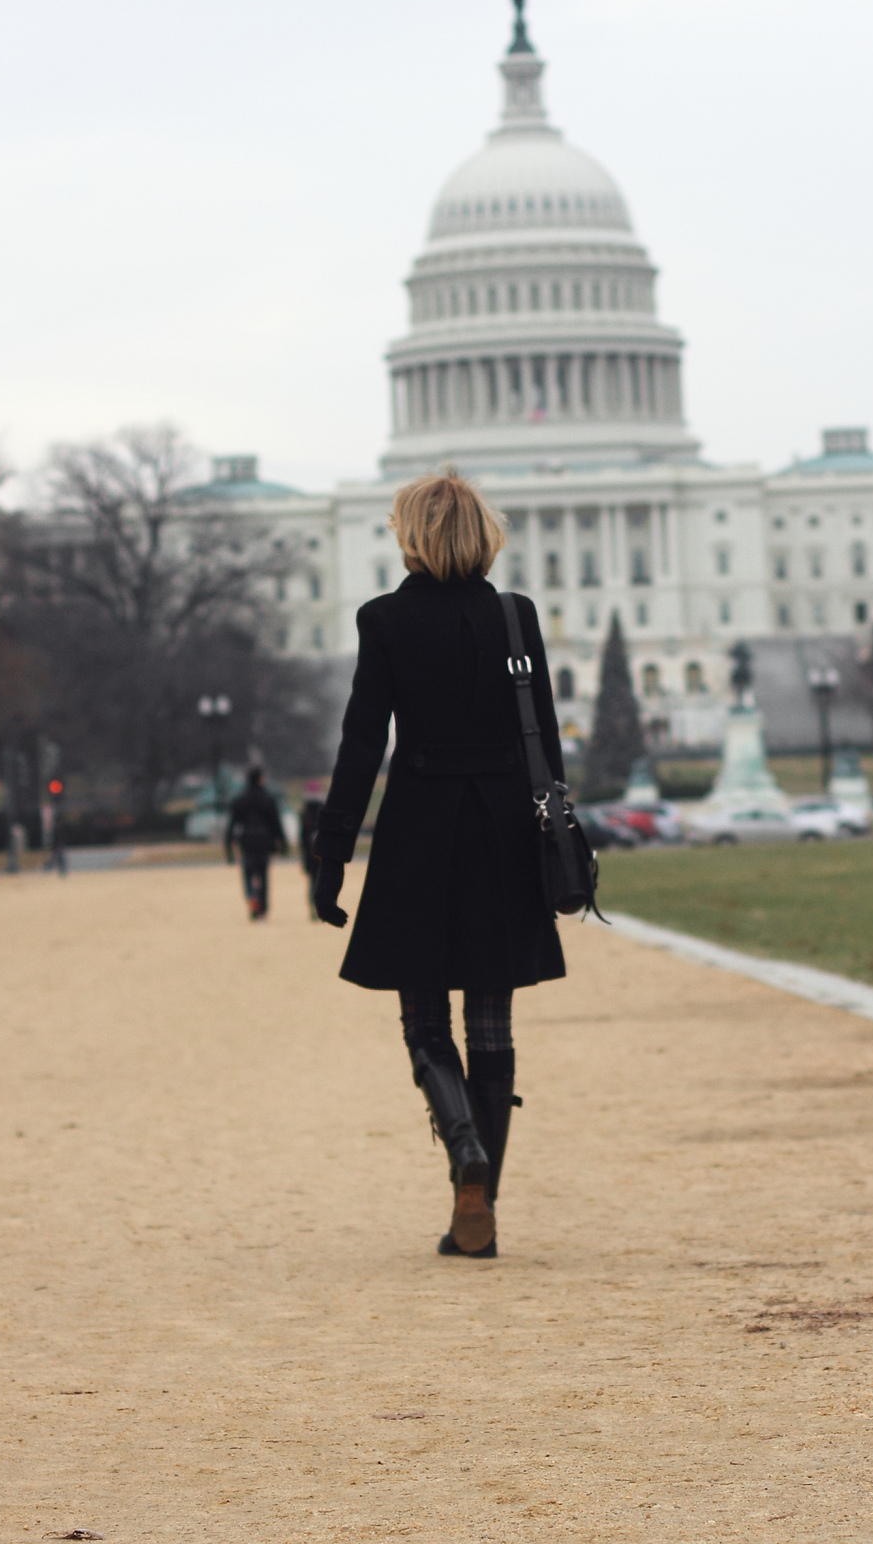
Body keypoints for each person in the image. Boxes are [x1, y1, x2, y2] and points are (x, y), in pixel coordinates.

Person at [311, 470, 566, 1259]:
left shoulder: (384, 620)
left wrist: (331, 855)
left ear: (411, 535)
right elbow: (545, 746)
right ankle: (480, 1199)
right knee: (491, 1020)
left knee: (425, 1017)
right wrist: (561, 845)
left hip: (419, 828)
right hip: (504, 834)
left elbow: (361, 747)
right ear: (484, 531)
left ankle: (464, 1150)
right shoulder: (515, 618)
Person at [224, 766, 286, 919]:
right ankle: (262, 909)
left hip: (246, 842)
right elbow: (275, 823)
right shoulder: (268, 798)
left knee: (248, 874)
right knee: (263, 876)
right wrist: (282, 842)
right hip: (264, 842)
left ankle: (252, 898)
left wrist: (229, 848)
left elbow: (232, 825)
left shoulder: (240, 799)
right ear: (260, 779)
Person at [298, 780, 325, 919]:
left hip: (310, 852)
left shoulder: (304, 812)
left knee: (312, 881)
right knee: (324, 881)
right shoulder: (325, 810)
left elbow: (302, 837)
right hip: (324, 852)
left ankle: (312, 908)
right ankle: (322, 907)